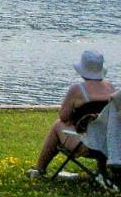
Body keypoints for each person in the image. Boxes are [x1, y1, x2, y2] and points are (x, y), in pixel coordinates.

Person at [28, 50, 115, 179]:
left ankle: (39, 169)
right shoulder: (110, 87)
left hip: (87, 146)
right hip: (110, 145)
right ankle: (103, 172)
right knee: (98, 128)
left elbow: (64, 117)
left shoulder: (77, 89)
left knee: (58, 125)